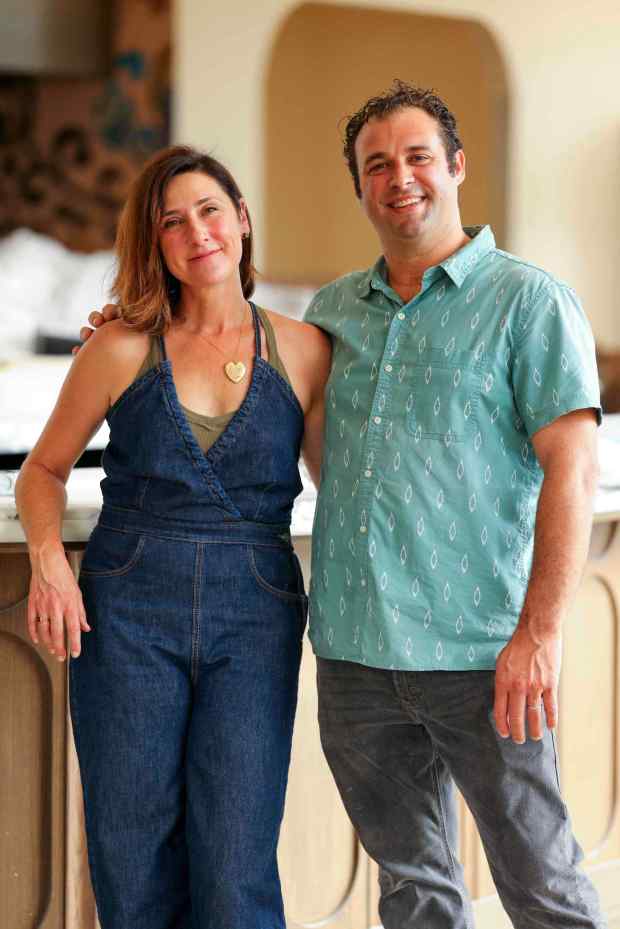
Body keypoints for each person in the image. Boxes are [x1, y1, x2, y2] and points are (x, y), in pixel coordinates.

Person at [80, 82, 605, 928]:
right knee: (412, 886)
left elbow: (573, 471)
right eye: (377, 165)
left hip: (483, 654)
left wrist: (539, 633)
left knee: (541, 884)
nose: (400, 178)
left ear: (457, 166)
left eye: (418, 157)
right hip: (357, 657)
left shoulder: (527, 302)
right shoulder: (329, 320)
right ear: (360, 186)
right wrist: (126, 324)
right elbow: (235, 390)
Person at [16, 144, 331, 929]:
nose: (198, 232)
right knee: (132, 857)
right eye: (173, 222)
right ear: (155, 244)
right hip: (127, 611)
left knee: (235, 864)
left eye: (210, 210)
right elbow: (42, 472)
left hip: (255, 614)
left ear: (242, 220)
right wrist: (51, 562)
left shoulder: (305, 349)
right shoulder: (118, 346)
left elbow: (344, 493)